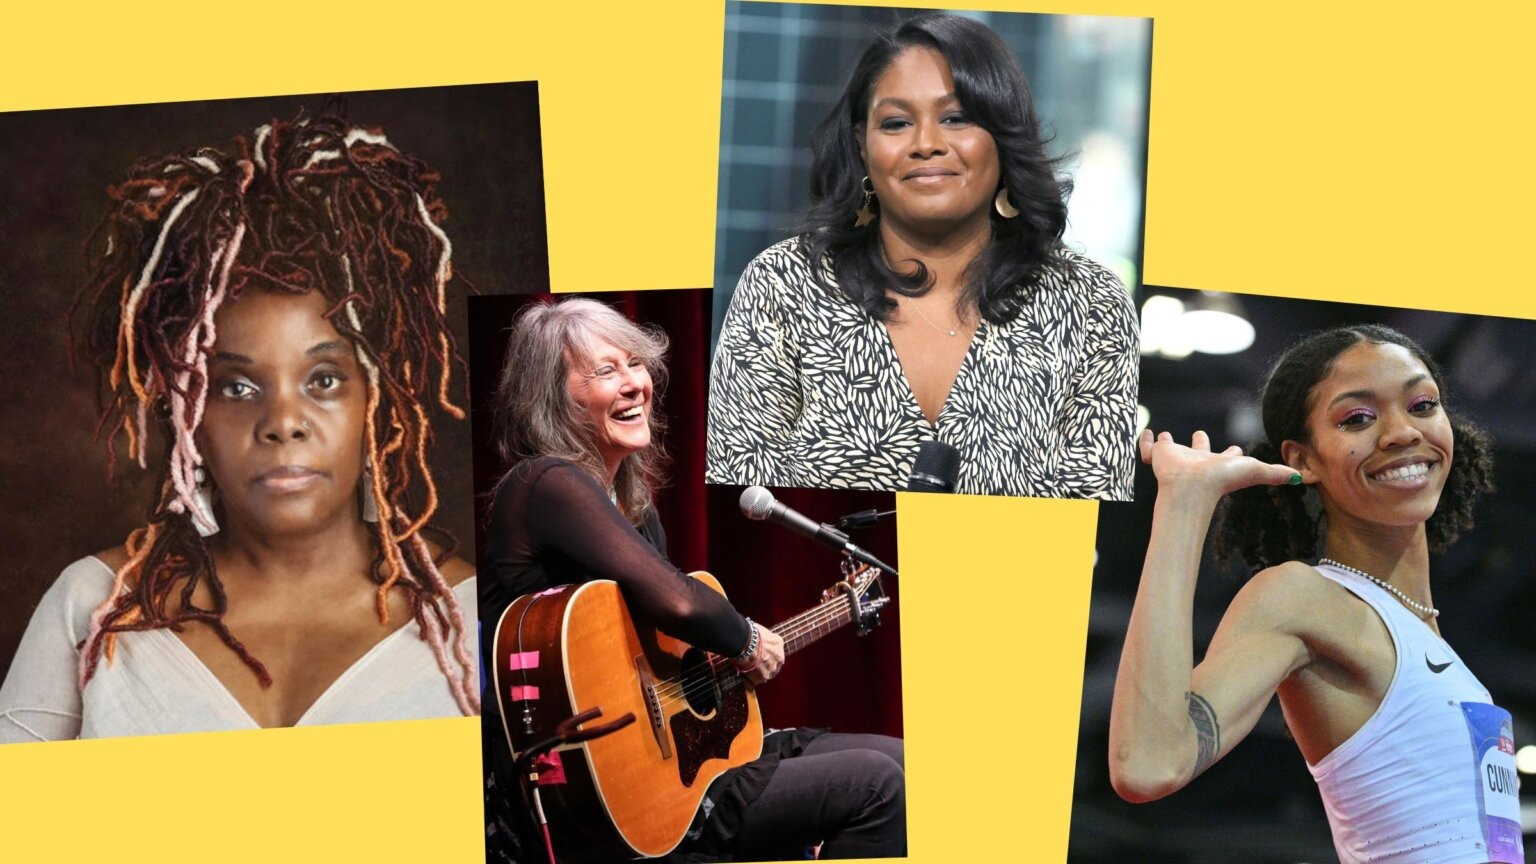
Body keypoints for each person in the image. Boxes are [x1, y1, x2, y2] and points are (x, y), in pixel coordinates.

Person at [0, 115, 479, 742]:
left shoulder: (476, 621)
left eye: (325, 380)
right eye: (236, 387)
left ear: (378, 403)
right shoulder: (90, 607)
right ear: (189, 416)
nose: (282, 422)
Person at [482, 297, 905, 862]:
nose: (634, 383)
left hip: (673, 773)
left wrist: (730, 666)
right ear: (552, 398)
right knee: (879, 786)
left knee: (906, 764)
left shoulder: (633, 506)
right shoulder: (544, 483)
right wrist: (750, 641)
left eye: (635, 363)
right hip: (590, 803)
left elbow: (673, 647)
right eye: (607, 371)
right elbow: (681, 604)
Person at [1109, 325, 1522, 864]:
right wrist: (1185, 503)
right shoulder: (1305, 597)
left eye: (1422, 404)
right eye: (1357, 418)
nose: (1401, 432)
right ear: (1302, 460)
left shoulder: (1432, 638)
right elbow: (1147, 765)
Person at [706, 12, 1138, 499]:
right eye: (896, 123)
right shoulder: (782, 284)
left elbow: (1089, 514)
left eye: (956, 118)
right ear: (863, 147)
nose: (926, 144)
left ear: (1003, 136)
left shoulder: (1091, 304)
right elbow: (739, 497)